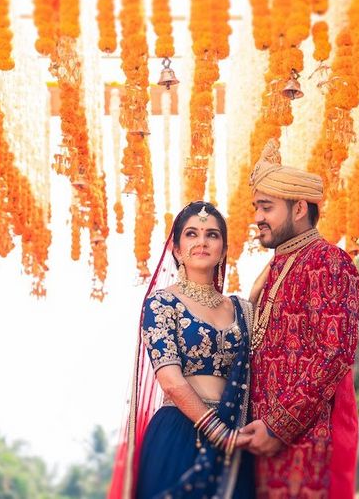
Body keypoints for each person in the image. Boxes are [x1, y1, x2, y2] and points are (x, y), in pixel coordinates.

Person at [109, 201, 257, 499]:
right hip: (179, 433)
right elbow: (172, 383)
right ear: (176, 249)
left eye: (212, 235)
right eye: (192, 234)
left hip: (235, 439)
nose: (202, 241)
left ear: (224, 249)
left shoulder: (244, 309)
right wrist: (220, 434)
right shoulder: (161, 304)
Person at [240, 139, 359, 498]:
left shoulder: (330, 262)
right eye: (256, 207)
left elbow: (335, 355)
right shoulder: (273, 269)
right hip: (261, 448)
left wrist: (278, 428)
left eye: (266, 207)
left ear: (299, 209)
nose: (257, 218)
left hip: (308, 448)